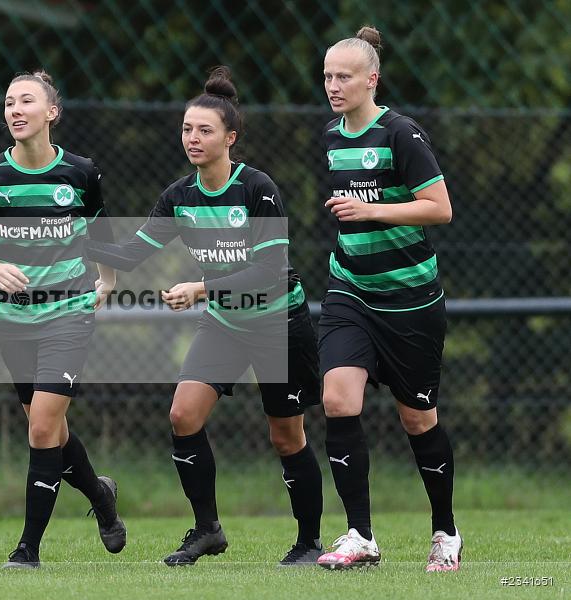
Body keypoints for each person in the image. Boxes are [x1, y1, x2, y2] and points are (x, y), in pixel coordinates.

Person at [85, 66, 325, 567]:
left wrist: (200, 289)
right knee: (183, 414)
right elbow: (131, 253)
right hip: (225, 322)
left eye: (205, 130)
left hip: (277, 323)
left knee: (286, 436)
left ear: (230, 138)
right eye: (187, 129)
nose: (192, 138)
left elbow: (270, 271)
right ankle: (207, 530)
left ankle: (308, 543)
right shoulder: (179, 196)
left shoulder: (257, 188)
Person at [0, 71, 125, 569]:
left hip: (68, 312)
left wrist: (107, 282)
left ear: (52, 112)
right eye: (9, 102)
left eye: (26, 100)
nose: (15, 110)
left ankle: (27, 550)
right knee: (50, 428)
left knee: (43, 428)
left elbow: (100, 230)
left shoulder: (80, 172)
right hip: (13, 320)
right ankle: (100, 495)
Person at [316, 26, 461, 571]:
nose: (333, 86)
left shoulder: (401, 134)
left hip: (410, 301)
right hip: (350, 289)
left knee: (418, 420)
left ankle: (446, 531)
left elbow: (440, 208)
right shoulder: (331, 137)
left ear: (371, 79)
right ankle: (360, 536)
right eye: (328, 76)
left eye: (344, 76)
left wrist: (372, 210)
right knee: (337, 400)